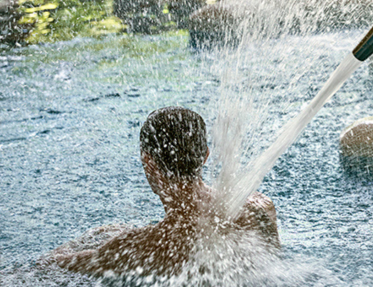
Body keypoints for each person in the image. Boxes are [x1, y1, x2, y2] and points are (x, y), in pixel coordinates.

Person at [43, 106, 280, 277]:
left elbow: (50, 265)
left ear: (149, 163)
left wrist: (82, 240)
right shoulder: (259, 205)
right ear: (206, 155)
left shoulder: (142, 246)